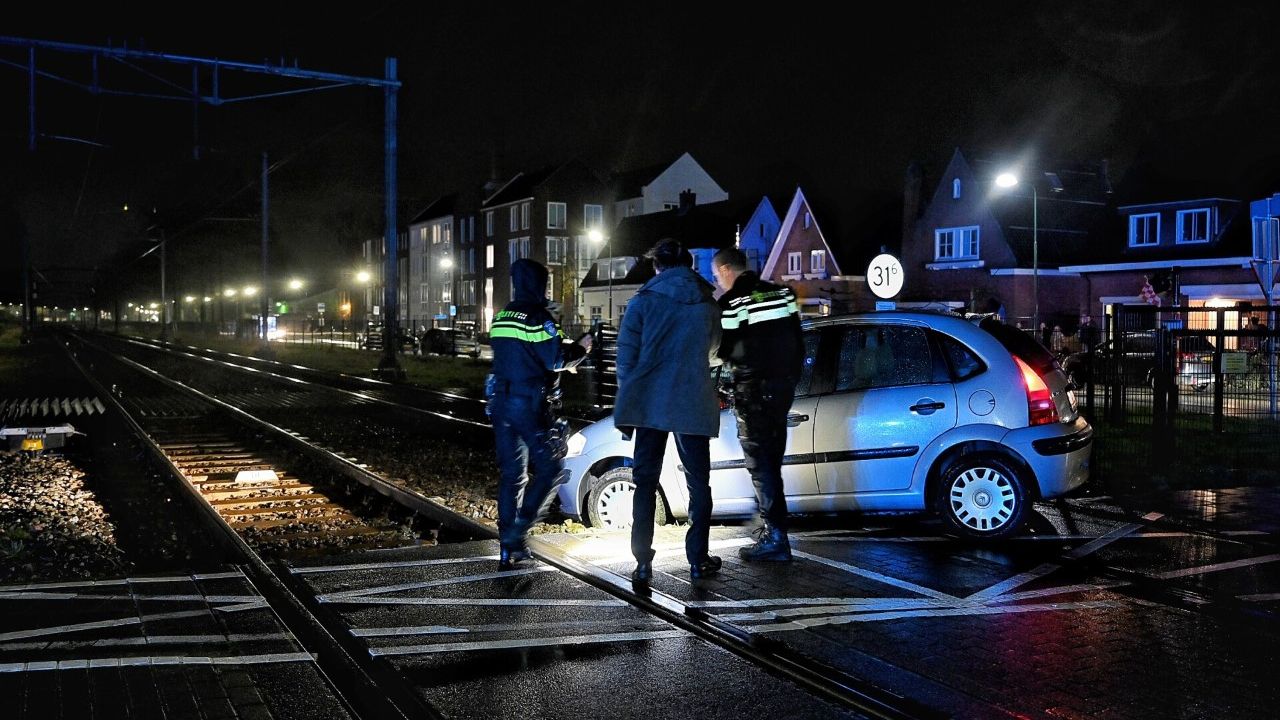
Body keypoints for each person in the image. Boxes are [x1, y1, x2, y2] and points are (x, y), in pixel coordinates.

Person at [614, 238, 721, 585]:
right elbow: (715, 350)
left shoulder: (641, 303)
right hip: (692, 399)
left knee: (644, 482)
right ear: (689, 265)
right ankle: (697, 559)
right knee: (698, 483)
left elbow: (625, 361)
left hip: (651, 404)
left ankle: (643, 562)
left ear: (657, 267)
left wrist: (632, 398)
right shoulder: (706, 302)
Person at [488, 259, 591, 570]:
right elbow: (556, 357)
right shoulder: (538, 318)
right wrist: (582, 348)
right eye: (545, 284)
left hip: (501, 403)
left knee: (512, 476)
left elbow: (522, 355)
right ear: (537, 284)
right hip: (529, 404)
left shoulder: (502, 316)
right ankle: (518, 532)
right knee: (551, 469)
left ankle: (510, 546)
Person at [711, 247, 805, 562]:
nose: (717, 283)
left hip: (753, 394)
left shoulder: (733, 302)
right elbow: (798, 339)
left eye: (716, 276)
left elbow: (726, 350)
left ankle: (776, 539)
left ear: (725, 270)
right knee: (773, 463)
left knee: (761, 466)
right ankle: (772, 529)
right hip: (782, 391)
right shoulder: (783, 294)